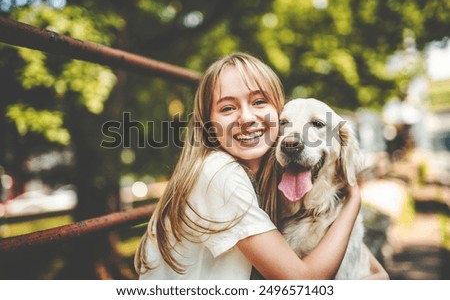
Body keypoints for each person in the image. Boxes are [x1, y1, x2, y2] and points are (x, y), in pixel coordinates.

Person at [135, 52, 388, 280]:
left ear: (274, 109)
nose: (246, 118)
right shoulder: (219, 174)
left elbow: (376, 273)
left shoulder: (263, 177)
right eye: (227, 108)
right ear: (208, 125)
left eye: (258, 102)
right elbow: (302, 283)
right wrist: (354, 201)